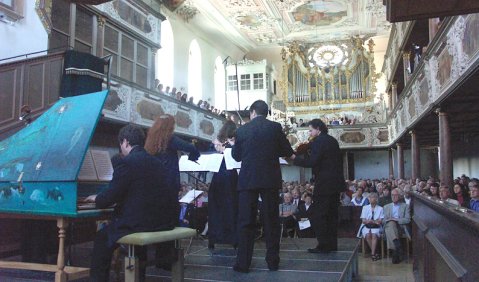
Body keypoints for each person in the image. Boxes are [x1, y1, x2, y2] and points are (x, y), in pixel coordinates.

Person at [86, 125, 173, 281]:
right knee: (132, 233)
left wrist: (97, 198)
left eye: (121, 145)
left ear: (125, 142)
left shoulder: (127, 163)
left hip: (139, 224)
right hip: (160, 222)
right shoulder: (158, 162)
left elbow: (108, 198)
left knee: (102, 238)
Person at [231, 100, 294, 272]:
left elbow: (236, 156)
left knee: (245, 222)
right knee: (271, 221)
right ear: (266, 113)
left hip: (248, 180)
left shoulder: (242, 130)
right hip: (269, 180)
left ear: (252, 112)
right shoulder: (274, 128)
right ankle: (272, 262)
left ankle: (243, 263)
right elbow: (287, 151)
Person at [144, 114, 200, 270]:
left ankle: (159, 260)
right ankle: (169, 260)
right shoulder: (170, 138)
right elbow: (191, 148)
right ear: (170, 127)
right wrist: (194, 156)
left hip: (155, 187)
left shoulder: (151, 140)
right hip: (169, 186)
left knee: (161, 224)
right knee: (171, 225)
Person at [294, 118, 346, 253]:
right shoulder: (332, 141)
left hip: (324, 184)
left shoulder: (318, 142)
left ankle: (323, 245)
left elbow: (312, 161)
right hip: (335, 184)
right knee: (332, 215)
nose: (309, 133)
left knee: (319, 215)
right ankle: (332, 245)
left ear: (318, 129)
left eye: (311, 130)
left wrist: (296, 159)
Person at [207, 121, 239, 250]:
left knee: (216, 208)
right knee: (231, 207)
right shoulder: (233, 141)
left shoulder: (219, 141)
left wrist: (219, 147)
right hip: (230, 176)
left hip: (219, 176)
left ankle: (215, 237)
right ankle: (232, 238)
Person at [383, 188, 411, 264]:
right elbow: (383, 220)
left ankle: (395, 247)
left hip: (400, 227)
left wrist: (396, 220)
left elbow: (408, 219)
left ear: (399, 196)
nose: (393, 197)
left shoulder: (405, 206)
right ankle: (396, 249)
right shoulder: (386, 207)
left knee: (390, 225)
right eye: (392, 195)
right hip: (390, 226)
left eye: (395, 195)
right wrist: (390, 220)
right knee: (390, 224)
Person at [357, 193, 384, 261]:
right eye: (371, 197)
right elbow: (363, 220)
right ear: (368, 199)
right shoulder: (365, 207)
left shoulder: (380, 208)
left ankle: (372, 254)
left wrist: (372, 221)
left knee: (374, 235)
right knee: (368, 235)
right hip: (366, 226)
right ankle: (375, 252)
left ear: (376, 199)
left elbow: (380, 221)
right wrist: (370, 221)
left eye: (374, 197)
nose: (372, 199)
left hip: (376, 226)